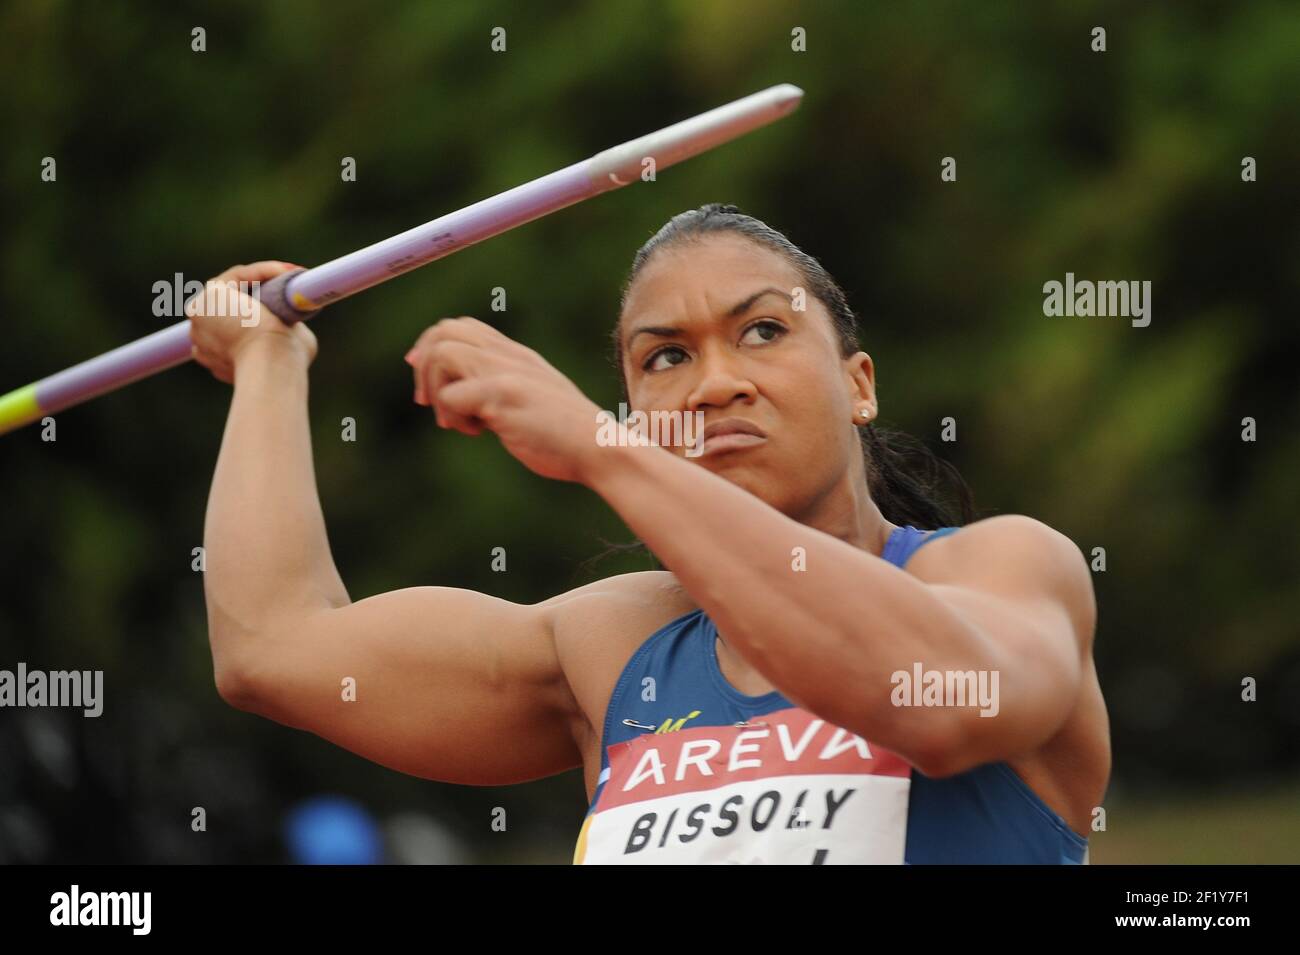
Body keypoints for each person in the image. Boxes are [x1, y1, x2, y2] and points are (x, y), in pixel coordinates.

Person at [188, 203, 1110, 864]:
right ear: (636, 409)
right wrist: (270, 367)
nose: (714, 385)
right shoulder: (609, 648)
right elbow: (273, 644)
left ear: (859, 383)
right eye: (665, 356)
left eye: (761, 332)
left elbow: (938, 708)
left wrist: (604, 453)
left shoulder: (1006, 567)